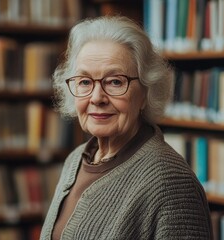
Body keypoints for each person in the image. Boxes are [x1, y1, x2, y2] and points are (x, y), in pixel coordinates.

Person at [40, 16, 213, 240]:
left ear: (145, 92)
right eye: (84, 82)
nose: (97, 97)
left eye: (115, 82)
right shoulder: (75, 160)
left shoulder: (171, 184)